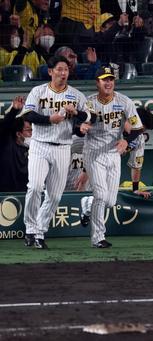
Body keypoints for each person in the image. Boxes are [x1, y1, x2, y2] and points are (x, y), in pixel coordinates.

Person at [22, 55, 90, 249]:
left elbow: (88, 115)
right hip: (40, 145)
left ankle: (40, 231)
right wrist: (49, 119)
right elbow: (28, 114)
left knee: (54, 196)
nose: (63, 73)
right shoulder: (39, 91)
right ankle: (30, 229)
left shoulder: (76, 95)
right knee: (34, 186)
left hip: (62, 147)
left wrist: (77, 115)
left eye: (66, 69)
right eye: (59, 69)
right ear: (50, 71)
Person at [79, 65, 144, 248]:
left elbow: (138, 128)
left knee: (109, 201)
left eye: (111, 79)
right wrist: (82, 127)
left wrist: (126, 140)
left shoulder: (124, 102)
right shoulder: (89, 102)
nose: (108, 82)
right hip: (93, 151)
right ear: (97, 82)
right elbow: (82, 123)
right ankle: (98, 237)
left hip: (114, 152)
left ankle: (87, 205)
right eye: (104, 79)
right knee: (100, 194)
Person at [77, 107, 153, 227]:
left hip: (99, 161)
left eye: (141, 130)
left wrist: (135, 188)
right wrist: (85, 171)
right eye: (137, 128)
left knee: (107, 198)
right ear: (131, 120)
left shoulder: (138, 139)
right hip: (76, 144)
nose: (139, 132)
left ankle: (88, 210)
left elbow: (136, 165)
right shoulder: (112, 123)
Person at [0, 96, 31, 192]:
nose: (32, 134)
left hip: (26, 193)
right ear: (18, 134)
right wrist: (14, 110)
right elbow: (4, 128)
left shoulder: (33, 149)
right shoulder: (6, 145)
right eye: (29, 130)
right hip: (5, 195)